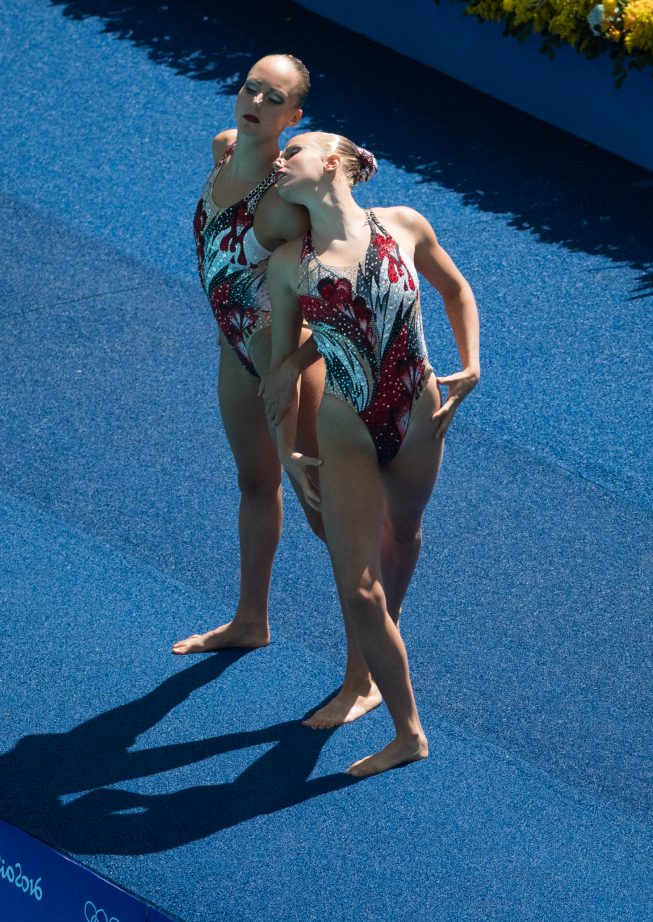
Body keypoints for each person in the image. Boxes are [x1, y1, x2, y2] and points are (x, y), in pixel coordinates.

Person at [264, 132, 481, 777]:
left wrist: (472, 366)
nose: (281, 158)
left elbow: (456, 291)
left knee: (405, 534)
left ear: (333, 162)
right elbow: (281, 375)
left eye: (293, 148)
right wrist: (289, 451)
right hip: (345, 426)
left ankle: (367, 666)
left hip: (418, 417)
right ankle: (408, 730)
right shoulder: (289, 265)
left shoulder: (403, 224)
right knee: (360, 591)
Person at [172, 55, 326, 656]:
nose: (256, 102)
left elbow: (341, 292)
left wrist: (290, 362)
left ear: (294, 116)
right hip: (235, 350)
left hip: (285, 365)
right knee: (255, 483)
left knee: (325, 517)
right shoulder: (223, 148)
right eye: (250, 88)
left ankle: (367, 668)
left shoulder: (289, 201)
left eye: (273, 98)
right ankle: (250, 621)